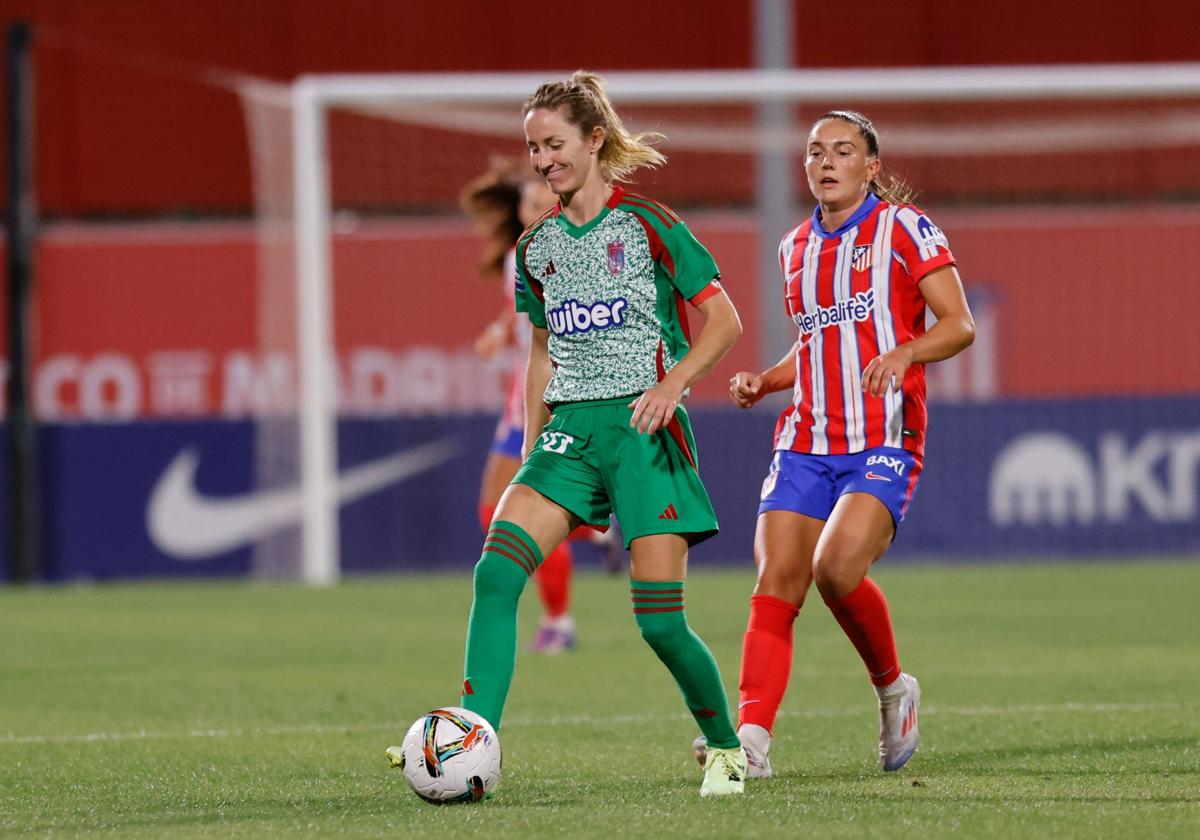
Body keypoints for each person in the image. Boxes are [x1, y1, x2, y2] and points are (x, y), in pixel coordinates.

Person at [459, 70, 747, 796]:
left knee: (659, 626)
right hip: (570, 435)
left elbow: (725, 323)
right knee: (495, 574)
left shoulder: (649, 224)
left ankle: (725, 747)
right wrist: (532, 446)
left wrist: (673, 383)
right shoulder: (537, 248)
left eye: (553, 143)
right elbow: (542, 351)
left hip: (645, 431)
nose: (542, 159)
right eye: (532, 147)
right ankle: (472, 746)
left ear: (593, 139)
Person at [693, 110, 975, 778]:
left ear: (871, 166)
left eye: (842, 151)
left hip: (883, 435)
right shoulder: (794, 248)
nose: (825, 161)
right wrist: (768, 379)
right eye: (815, 152)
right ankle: (751, 744)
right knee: (776, 580)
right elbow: (819, 343)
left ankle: (892, 689)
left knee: (837, 569)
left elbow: (959, 324)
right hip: (805, 438)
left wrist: (906, 352)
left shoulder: (905, 229)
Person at [461, 159, 589, 654]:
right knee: (494, 509)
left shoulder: (573, 251)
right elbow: (522, 312)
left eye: (544, 203)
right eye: (528, 204)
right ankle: (588, 535)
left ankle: (559, 622)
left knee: (511, 510)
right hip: (523, 390)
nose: (536, 211)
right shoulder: (523, 255)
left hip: (553, 394)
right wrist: (499, 330)